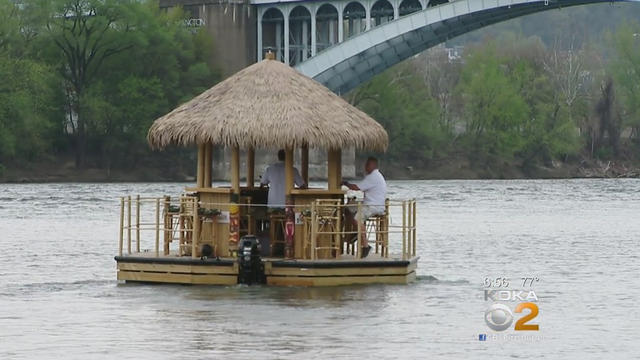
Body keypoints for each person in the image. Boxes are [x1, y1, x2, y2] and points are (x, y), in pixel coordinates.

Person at [342, 156, 387, 258]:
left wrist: (346, 183)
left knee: (357, 218)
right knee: (348, 208)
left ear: (373, 165)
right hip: (371, 203)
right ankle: (355, 231)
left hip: (373, 206)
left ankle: (365, 245)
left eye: (367, 165)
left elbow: (357, 188)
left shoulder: (373, 176)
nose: (365, 167)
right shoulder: (377, 176)